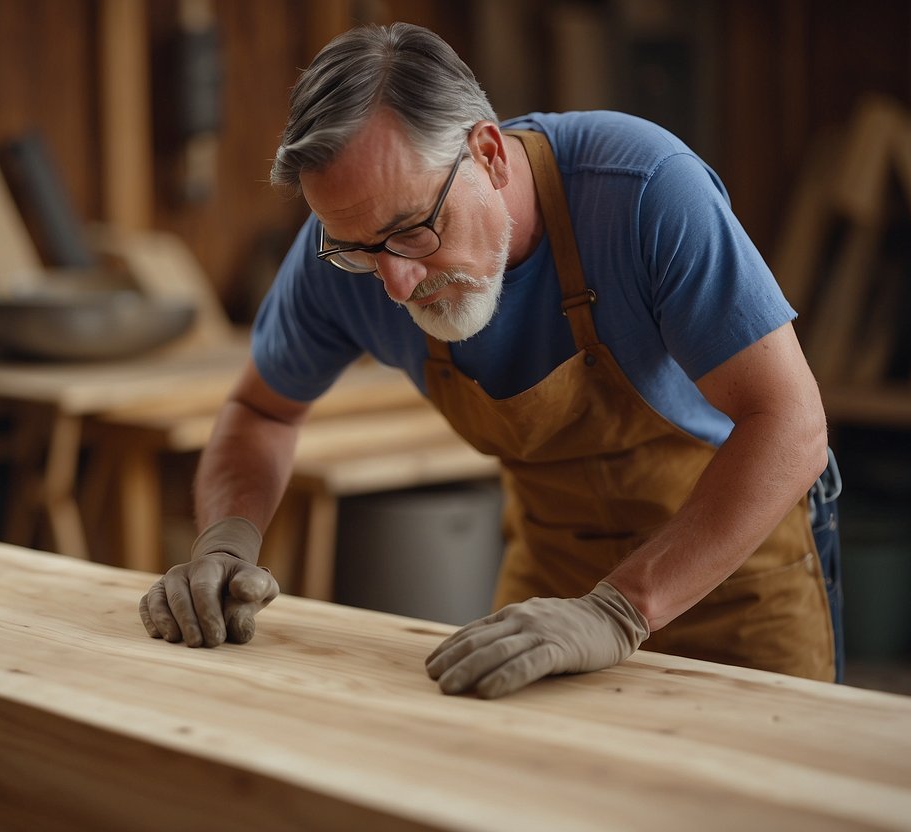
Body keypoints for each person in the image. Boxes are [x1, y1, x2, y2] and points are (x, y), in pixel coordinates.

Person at [139, 21, 844, 698]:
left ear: (489, 153)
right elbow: (261, 410)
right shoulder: (347, 256)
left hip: (737, 580)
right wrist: (226, 543)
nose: (395, 283)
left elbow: (789, 423)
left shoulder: (642, 190)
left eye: (412, 231)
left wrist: (620, 610)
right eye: (357, 250)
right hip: (554, 588)